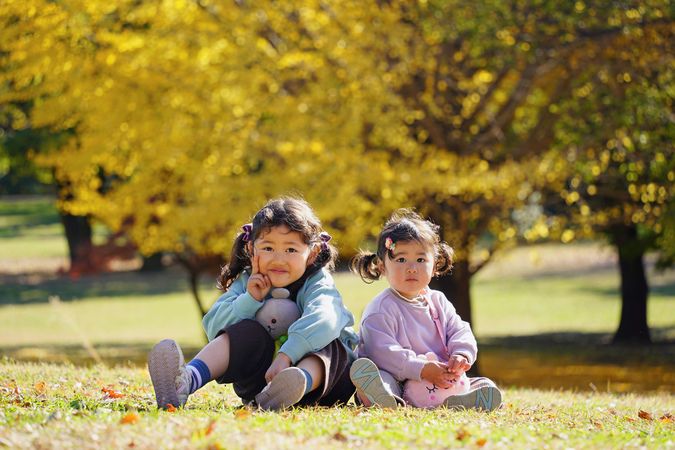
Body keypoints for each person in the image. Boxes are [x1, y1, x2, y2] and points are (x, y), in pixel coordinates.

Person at [148, 197, 358, 411]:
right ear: (251, 248)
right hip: (260, 382)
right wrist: (249, 301)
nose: (278, 259)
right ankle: (185, 382)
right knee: (245, 331)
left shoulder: (318, 281)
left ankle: (293, 383)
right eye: (268, 248)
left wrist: (287, 355)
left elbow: (326, 317)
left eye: (291, 250)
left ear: (312, 254)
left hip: (323, 384)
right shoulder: (249, 280)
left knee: (330, 342)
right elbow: (213, 326)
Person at [349, 209, 502, 411]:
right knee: (382, 378)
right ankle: (384, 398)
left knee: (485, 384)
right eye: (401, 259)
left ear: (435, 264)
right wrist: (420, 369)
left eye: (420, 260)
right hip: (399, 377)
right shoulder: (380, 309)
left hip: (441, 376)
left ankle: (461, 401)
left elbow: (459, 330)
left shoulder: (438, 301)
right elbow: (382, 351)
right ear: (382, 266)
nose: (411, 267)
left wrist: (461, 354)